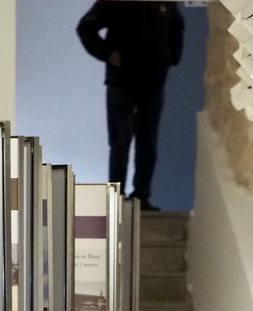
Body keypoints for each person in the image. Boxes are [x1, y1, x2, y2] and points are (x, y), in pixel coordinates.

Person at [76, 1, 184, 210]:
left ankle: (141, 196)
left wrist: (171, 56)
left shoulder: (165, 3)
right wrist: (108, 53)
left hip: (153, 82)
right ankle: (116, 197)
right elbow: (85, 27)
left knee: (148, 143)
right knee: (121, 140)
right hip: (121, 81)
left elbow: (177, 26)